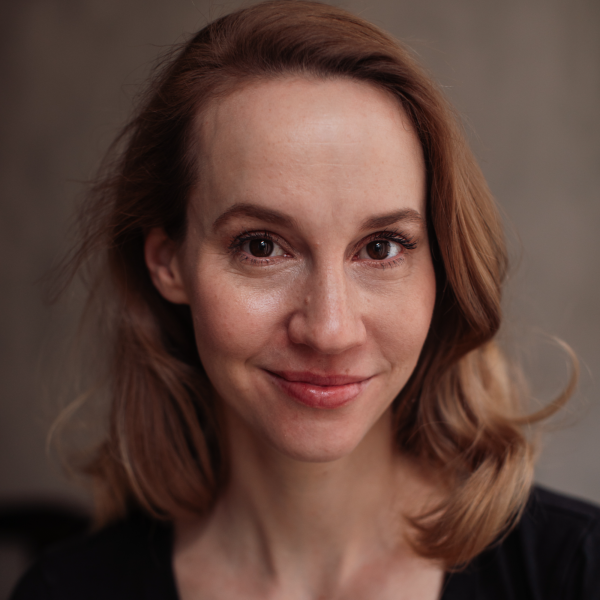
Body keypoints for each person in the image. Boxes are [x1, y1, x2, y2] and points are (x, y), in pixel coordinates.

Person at [10, 1, 600, 598]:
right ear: (169, 263)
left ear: (442, 265)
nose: (330, 330)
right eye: (262, 246)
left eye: (381, 247)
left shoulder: (577, 574)